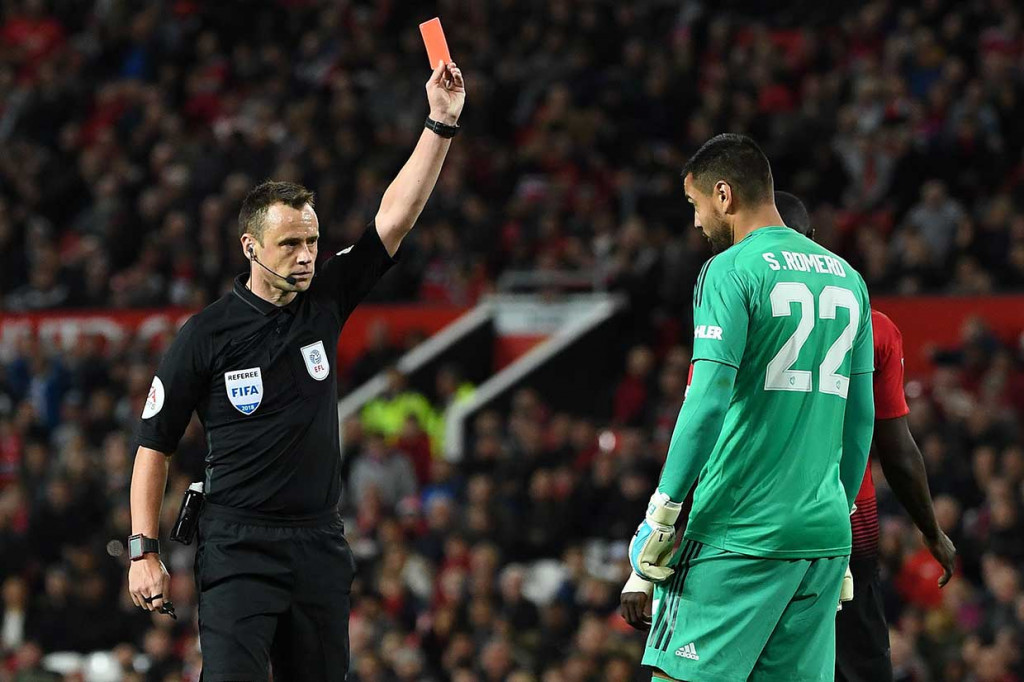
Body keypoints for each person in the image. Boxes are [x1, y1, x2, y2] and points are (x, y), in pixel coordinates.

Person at [127, 60, 465, 681]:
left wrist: (439, 124)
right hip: (237, 546)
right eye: (290, 244)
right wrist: (142, 550)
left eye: (312, 242)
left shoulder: (324, 300)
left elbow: (394, 218)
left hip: (317, 543)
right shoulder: (205, 335)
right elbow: (154, 446)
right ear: (251, 247)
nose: (307, 256)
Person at [626, 134, 875, 681]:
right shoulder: (849, 279)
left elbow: (707, 401)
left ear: (723, 194)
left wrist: (662, 514)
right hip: (822, 540)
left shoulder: (730, 269)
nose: (696, 222)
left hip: (739, 532)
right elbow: (860, 422)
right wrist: (841, 519)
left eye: (694, 204)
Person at [775, 191, 956, 682]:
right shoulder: (873, 325)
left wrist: (669, 526)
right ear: (813, 239)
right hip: (847, 526)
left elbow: (704, 428)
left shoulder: (738, 313)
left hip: (758, 527)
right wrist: (930, 530)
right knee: (859, 667)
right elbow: (896, 447)